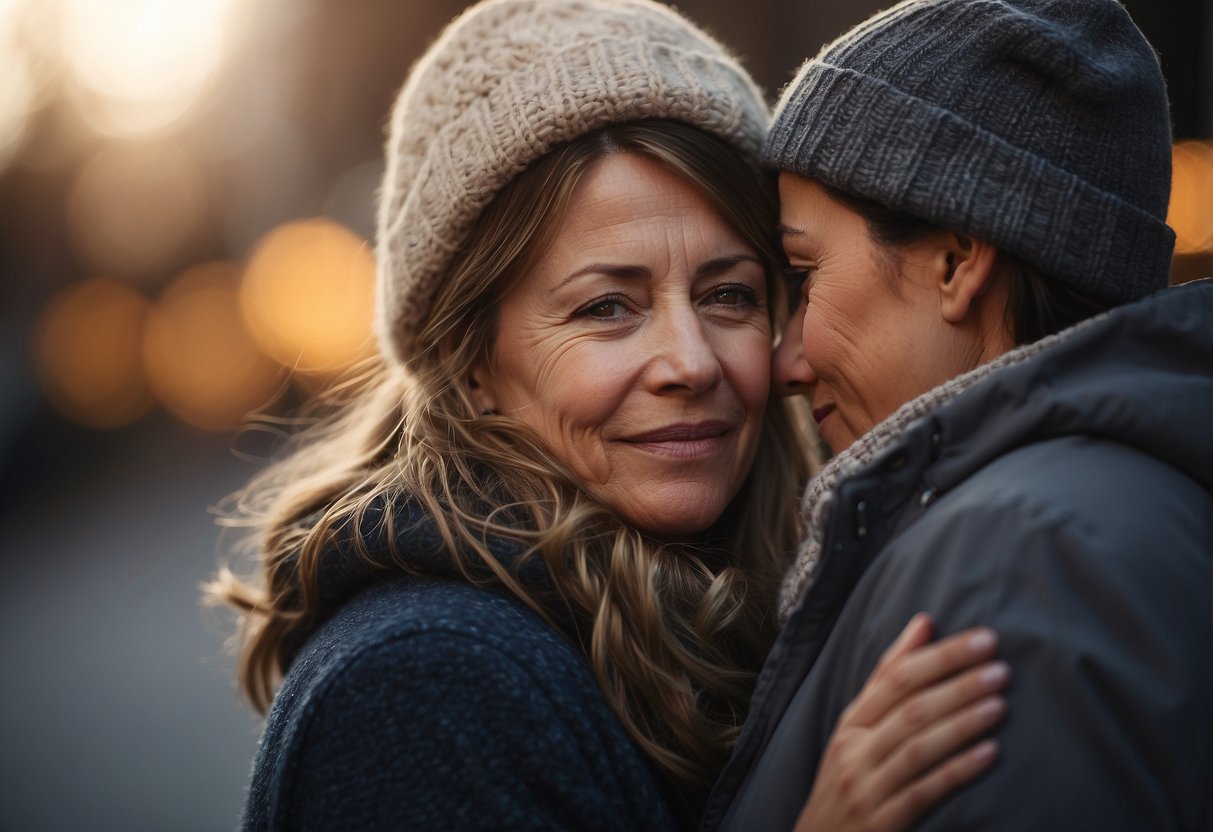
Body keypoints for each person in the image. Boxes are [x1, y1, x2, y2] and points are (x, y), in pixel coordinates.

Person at [209, 1, 1012, 829]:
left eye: (728, 295)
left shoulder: (775, 614)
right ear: (467, 361)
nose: (691, 362)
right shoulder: (422, 689)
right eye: (606, 308)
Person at [702, 0, 1213, 829]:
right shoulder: (1106, 511)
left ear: (954, 262)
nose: (782, 361)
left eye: (804, 275)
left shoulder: (1017, 561)